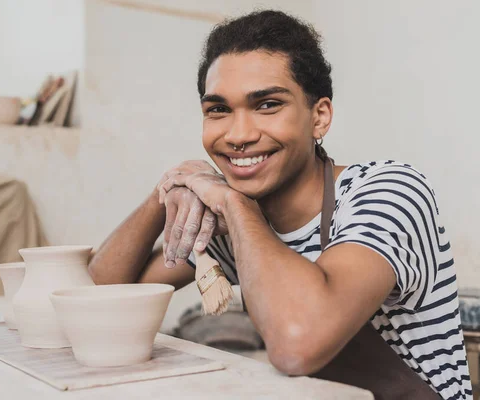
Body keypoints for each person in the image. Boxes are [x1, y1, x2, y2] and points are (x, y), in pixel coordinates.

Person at [88, 10, 471, 399]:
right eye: (218, 109)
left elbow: (296, 345)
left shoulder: (388, 190)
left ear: (319, 117)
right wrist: (171, 185)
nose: (239, 134)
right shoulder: (242, 226)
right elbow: (97, 304)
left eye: (268, 105)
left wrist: (232, 203)